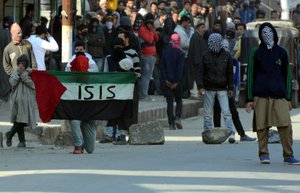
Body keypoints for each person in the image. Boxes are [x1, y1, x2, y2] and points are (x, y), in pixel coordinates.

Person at [245, 22, 300, 164]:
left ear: (275, 35)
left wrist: (288, 97)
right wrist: (249, 99)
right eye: (264, 33)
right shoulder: (255, 52)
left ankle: (288, 155)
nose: (267, 35)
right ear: (260, 36)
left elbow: (287, 75)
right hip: (261, 95)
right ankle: (264, 154)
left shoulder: (282, 52)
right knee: (262, 127)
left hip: (279, 96)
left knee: (285, 126)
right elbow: (251, 75)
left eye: (269, 32)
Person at [196, 33, 235, 144]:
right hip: (208, 88)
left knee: (226, 112)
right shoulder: (205, 55)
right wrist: (200, 87)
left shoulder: (227, 56)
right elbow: (200, 73)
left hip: (222, 88)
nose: (215, 45)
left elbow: (229, 74)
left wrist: (231, 88)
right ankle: (208, 132)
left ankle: (230, 133)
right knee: (208, 113)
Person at [65, 41, 98, 154]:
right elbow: (66, 78)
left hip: (88, 100)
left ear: (84, 50)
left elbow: (96, 76)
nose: (79, 52)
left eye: (81, 50)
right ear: (75, 50)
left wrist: (84, 71)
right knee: (74, 120)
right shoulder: (70, 63)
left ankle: (84, 142)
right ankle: (78, 145)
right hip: (75, 98)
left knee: (90, 149)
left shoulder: (91, 62)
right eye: (77, 50)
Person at [6, 54, 37, 148]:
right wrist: (18, 75)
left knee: (23, 121)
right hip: (17, 100)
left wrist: (23, 75)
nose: (21, 65)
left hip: (27, 101)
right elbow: (12, 83)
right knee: (18, 120)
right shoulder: (16, 72)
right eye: (19, 63)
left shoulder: (31, 72)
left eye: (23, 63)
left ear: (26, 64)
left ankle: (10, 134)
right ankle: (22, 142)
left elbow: (33, 85)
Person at [160, 33, 185, 130]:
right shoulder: (181, 53)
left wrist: (166, 79)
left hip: (167, 81)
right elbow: (180, 69)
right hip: (177, 82)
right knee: (179, 100)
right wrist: (177, 82)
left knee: (169, 102)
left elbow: (162, 67)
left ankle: (171, 123)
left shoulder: (165, 52)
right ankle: (178, 117)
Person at [138, 13, 159, 101]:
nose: (151, 24)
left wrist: (152, 30)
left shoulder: (151, 29)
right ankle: (143, 95)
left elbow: (157, 39)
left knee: (146, 76)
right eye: (150, 22)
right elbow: (150, 40)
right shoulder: (142, 29)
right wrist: (152, 31)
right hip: (146, 56)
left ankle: (143, 94)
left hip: (151, 56)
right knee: (146, 76)